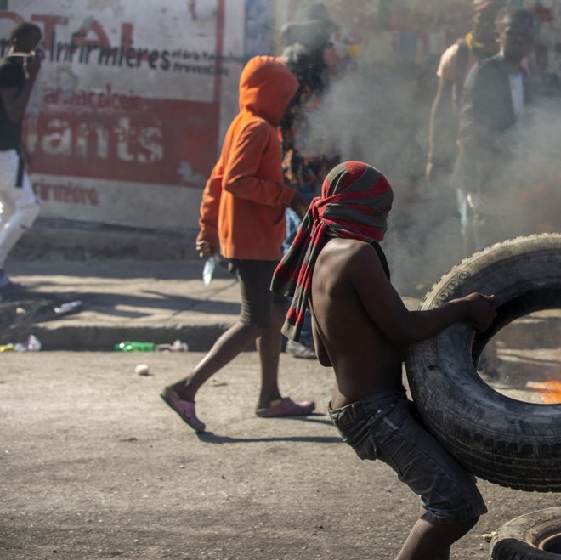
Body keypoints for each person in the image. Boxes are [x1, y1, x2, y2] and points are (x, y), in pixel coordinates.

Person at [271, 160, 496, 560]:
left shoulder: (324, 255)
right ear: (363, 208)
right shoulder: (358, 255)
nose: (386, 220)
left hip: (358, 408)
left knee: (450, 492)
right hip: (375, 412)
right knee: (454, 508)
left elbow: (326, 354)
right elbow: (404, 329)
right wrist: (462, 308)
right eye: (383, 210)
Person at [161, 56, 313, 433]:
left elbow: (215, 179)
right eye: (283, 95)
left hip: (252, 237)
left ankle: (270, 397)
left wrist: (207, 230)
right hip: (252, 241)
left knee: (276, 311)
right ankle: (185, 388)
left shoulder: (242, 123)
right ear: (267, 93)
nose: (287, 103)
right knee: (255, 320)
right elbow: (235, 181)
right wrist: (287, 195)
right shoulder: (258, 128)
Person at [278, 2, 340, 359]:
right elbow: (279, 123)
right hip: (298, 171)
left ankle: (307, 329)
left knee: (313, 251)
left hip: (320, 173)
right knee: (299, 251)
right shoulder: (290, 68)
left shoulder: (321, 67)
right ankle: (296, 331)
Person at [453, 6, 536, 252]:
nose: (520, 40)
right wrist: (496, 165)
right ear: (499, 34)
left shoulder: (525, 77)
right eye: (513, 33)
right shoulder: (483, 72)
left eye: (526, 36)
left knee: (507, 247)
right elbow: (470, 130)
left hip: (511, 179)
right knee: (483, 248)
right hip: (483, 178)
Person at [427, 0, 504, 257]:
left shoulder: (508, 58)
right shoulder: (458, 55)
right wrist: (433, 155)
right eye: (485, 17)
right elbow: (440, 108)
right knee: (469, 222)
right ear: (474, 19)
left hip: (502, 154)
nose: (489, 23)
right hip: (468, 151)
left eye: (495, 18)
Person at [0, 22, 42, 292]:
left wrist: (22, 148)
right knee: (28, 207)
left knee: (11, 211)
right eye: (31, 42)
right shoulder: (11, 70)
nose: (34, 49)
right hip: (4, 153)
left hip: (8, 148)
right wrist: (32, 77)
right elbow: (13, 112)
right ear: (18, 39)